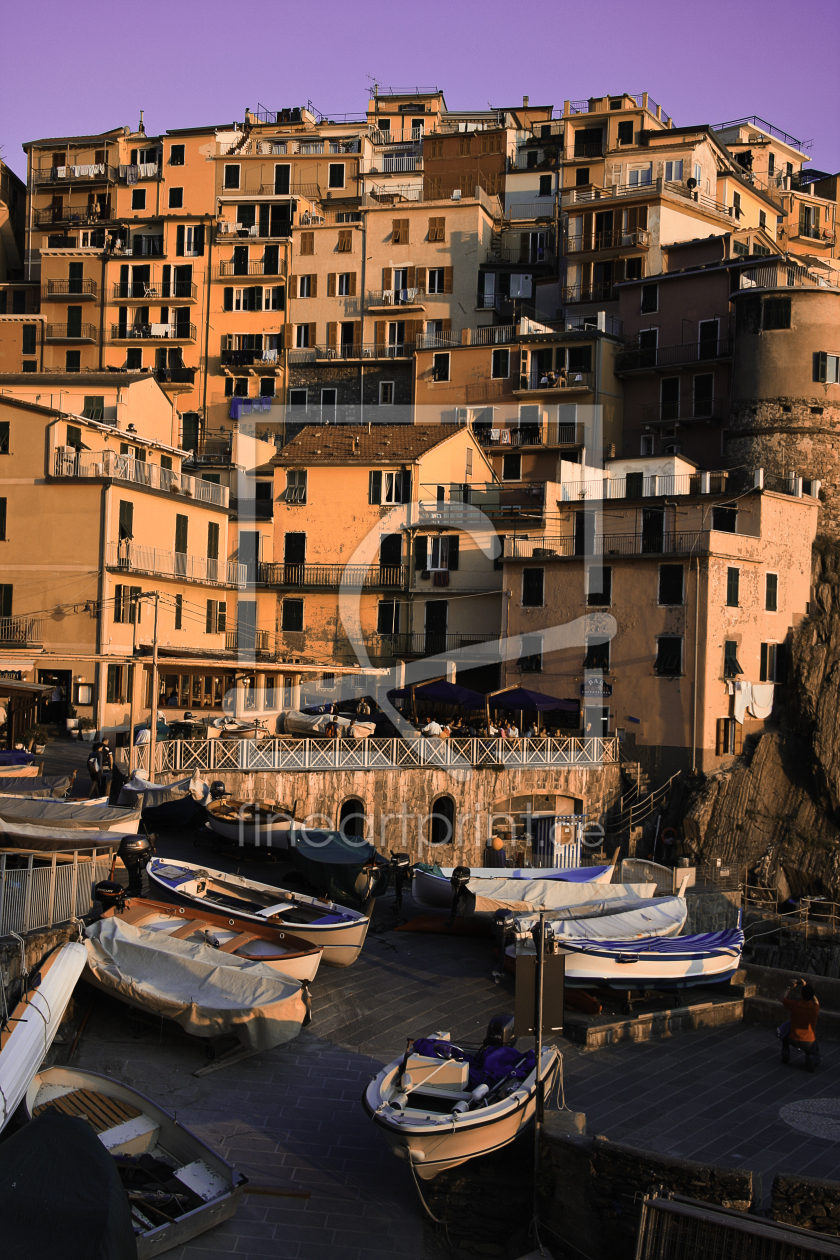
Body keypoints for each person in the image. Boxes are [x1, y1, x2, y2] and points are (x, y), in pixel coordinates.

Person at [781, 979, 820, 1071]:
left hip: (793, 1038)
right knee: (816, 1055)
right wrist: (805, 986)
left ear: (802, 995)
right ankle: (811, 1058)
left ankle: (785, 1053)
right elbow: (816, 1001)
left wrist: (790, 987)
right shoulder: (814, 1007)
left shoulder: (796, 1004)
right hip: (808, 1042)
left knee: (786, 1029)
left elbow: (782, 998)